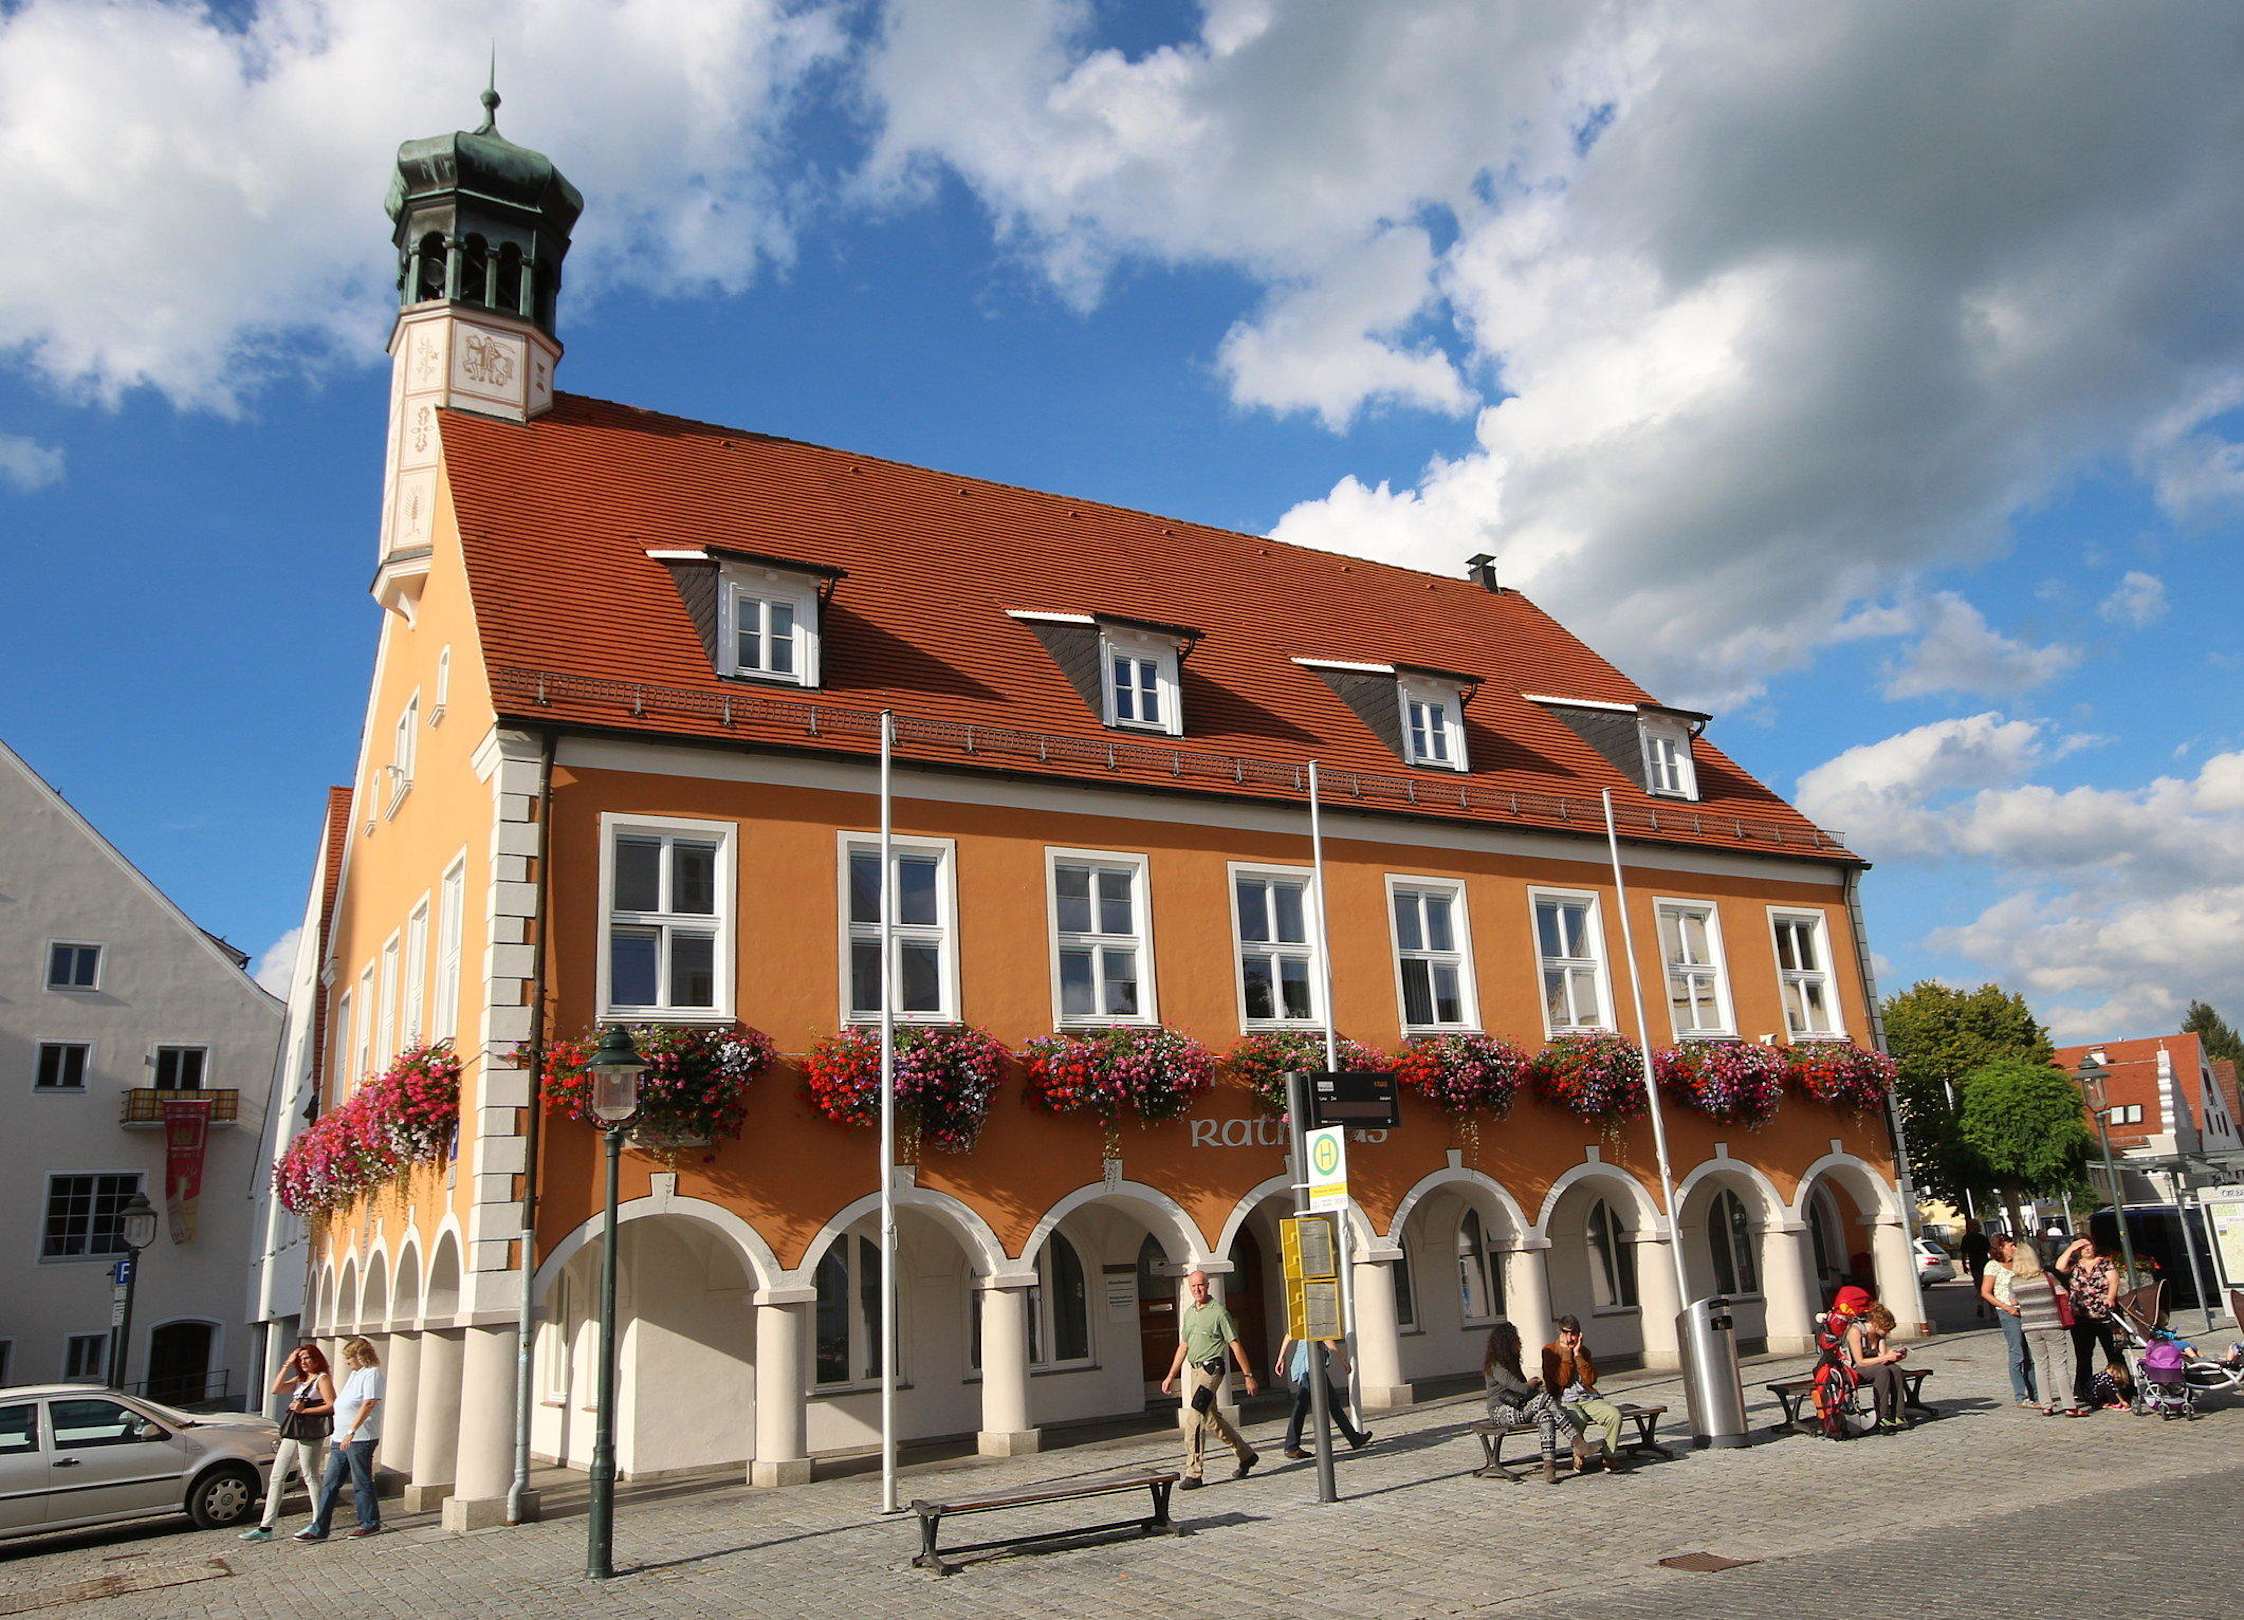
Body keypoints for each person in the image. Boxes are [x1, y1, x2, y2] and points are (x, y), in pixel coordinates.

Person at [1158, 1270, 1259, 1490]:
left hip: (1212, 1370)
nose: (1197, 1290)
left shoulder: (1219, 1312)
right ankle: (1246, 1455)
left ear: (1207, 1285)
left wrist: (1248, 1376)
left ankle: (1194, 1472)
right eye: (1193, 1286)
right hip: (1195, 1371)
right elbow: (1183, 1346)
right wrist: (1171, 1375)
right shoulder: (1189, 1313)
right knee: (1212, 1419)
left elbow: (1235, 1344)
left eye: (1200, 1285)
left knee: (1194, 1417)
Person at [240, 1342, 334, 1542]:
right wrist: (287, 1364)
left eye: (307, 1358)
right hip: (293, 1430)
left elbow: (331, 1405)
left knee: (310, 1475)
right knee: (276, 1476)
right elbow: (276, 1389)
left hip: (310, 1431)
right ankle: (266, 1527)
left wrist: (305, 1410)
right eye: (300, 1359)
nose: (304, 1362)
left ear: (316, 1359)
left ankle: (319, 1522)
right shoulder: (300, 1379)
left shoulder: (322, 1378)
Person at [296, 1336, 384, 1540]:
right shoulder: (355, 1375)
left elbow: (369, 1403)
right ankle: (319, 1528)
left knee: (361, 1481)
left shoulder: (372, 1374)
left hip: (360, 1437)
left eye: (349, 1357)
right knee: (330, 1482)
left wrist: (351, 1431)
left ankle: (369, 1522)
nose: (347, 1362)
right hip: (340, 1437)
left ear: (360, 1356)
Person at [1483, 1322, 1566, 1483]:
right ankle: (1576, 1439)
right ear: (1506, 1343)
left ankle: (1549, 1466)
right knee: (1544, 1398)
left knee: (1545, 1415)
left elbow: (1523, 1391)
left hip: (1517, 1407)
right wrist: (1530, 1385)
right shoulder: (1496, 1366)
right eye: (1516, 1340)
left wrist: (1531, 1387)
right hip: (1499, 1412)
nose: (1520, 1343)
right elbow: (1519, 1387)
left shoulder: (1513, 1362)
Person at [1542, 1315, 1627, 1473]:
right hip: (1564, 1398)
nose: (1570, 1338)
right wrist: (1567, 1353)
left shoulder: (1583, 1351)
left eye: (1573, 1334)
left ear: (1579, 1334)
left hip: (1587, 1397)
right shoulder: (1549, 1351)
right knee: (1578, 1419)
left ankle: (1608, 1456)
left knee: (1614, 1416)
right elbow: (1562, 1380)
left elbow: (1590, 1380)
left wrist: (1577, 1355)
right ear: (1560, 1332)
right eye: (1566, 1333)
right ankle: (1578, 1453)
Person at [2054, 1232, 2124, 1413]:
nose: (2087, 1249)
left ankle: (2123, 1388)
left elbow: (2114, 1280)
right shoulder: (2073, 1265)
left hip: (2105, 1315)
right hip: (2081, 1317)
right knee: (2084, 1356)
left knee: (2114, 1352)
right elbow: (2059, 1267)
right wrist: (2071, 1248)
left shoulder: (2104, 1262)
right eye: (2082, 1247)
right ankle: (2084, 1391)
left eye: (2089, 1245)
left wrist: (2110, 1297)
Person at [2005, 1240, 2077, 1416]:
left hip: (2030, 1327)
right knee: (2060, 1365)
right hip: (2052, 1324)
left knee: (2040, 1365)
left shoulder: (2014, 1281)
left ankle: (2046, 1405)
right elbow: (2063, 1293)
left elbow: (2013, 1302)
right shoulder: (2047, 1277)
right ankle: (2069, 1406)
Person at [1273, 1331, 1370, 1459]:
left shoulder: (1301, 1321)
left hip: (1309, 1367)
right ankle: (1291, 1446)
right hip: (1311, 1368)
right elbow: (1325, 1338)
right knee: (1302, 1407)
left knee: (1332, 1404)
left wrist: (1280, 1358)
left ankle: (1354, 1438)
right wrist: (1342, 1359)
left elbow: (1289, 1335)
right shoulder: (1314, 1321)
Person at [1979, 1232, 2037, 1408]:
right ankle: (2021, 1395)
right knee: (2017, 1351)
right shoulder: (1993, 1266)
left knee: (2030, 1353)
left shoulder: (2019, 1263)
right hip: (2008, 1313)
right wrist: (2006, 1307)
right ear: (2001, 1247)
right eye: (2010, 1245)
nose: (2014, 1248)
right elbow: (1985, 1292)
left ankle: (2035, 1394)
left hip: (2024, 1310)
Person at [1848, 1303, 1911, 1430]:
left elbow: (1882, 1355)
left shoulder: (1879, 1335)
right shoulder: (1856, 1331)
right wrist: (1886, 1357)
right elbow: (1860, 1362)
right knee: (1882, 1371)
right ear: (1876, 1325)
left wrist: (1895, 1356)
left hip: (1873, 1366)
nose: (1887, 1333)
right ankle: (1882, 1415)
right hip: (1853, 1369)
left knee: (1895, 1369)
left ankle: (1899, 1414)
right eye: (1886, 1330)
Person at [1959, 1219, 1992, 1320]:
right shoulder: (1982, 1237)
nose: (1980, 1227)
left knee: (1979, 1287)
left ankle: (1980, 1304)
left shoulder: (1966, 1238)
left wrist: (1964, 1265)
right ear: (1975, 1226)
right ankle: (1992, 1310)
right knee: (1989, 1287)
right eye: (1978, 1225)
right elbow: (1990, 1251)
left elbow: (1963, 1253)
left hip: (1974, 1265)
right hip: (1984, 1264)